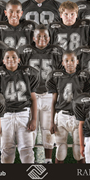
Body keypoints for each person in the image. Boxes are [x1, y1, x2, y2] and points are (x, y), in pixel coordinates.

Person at [18, 24, 64, 164]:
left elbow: (62, 73)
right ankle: (30, 161)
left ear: (49, 38)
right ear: (33, 38)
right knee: (30, 128)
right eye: (38, 36)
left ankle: (48, 160)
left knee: (47, 128)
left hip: (49, 93)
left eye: (45, 36)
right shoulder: (25, 51)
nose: (42, 39)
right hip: (32, 94)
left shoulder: (57, 51)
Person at [0, 48, 40, 163]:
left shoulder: (28, 73)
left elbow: (33, 98)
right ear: (3, 61)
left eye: (13, 57)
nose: (10, 59)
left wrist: (34, 119)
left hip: (23, 114)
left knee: (27, 149)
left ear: (19, 60)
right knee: (6, 149)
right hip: (5, 115)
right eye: (7, 57)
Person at [46, 50, 90, 164]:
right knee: (60, 150)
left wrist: (87, 119)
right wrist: (51, 121)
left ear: (77, 61)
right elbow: (54, 100)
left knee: (79, 151)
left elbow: (89, 100)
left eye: (72, 60)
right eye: (66, 60)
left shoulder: (84, 76)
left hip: (78, 117)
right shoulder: (57, 76)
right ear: (62, 62)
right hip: (62, 116)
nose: (69, 63)